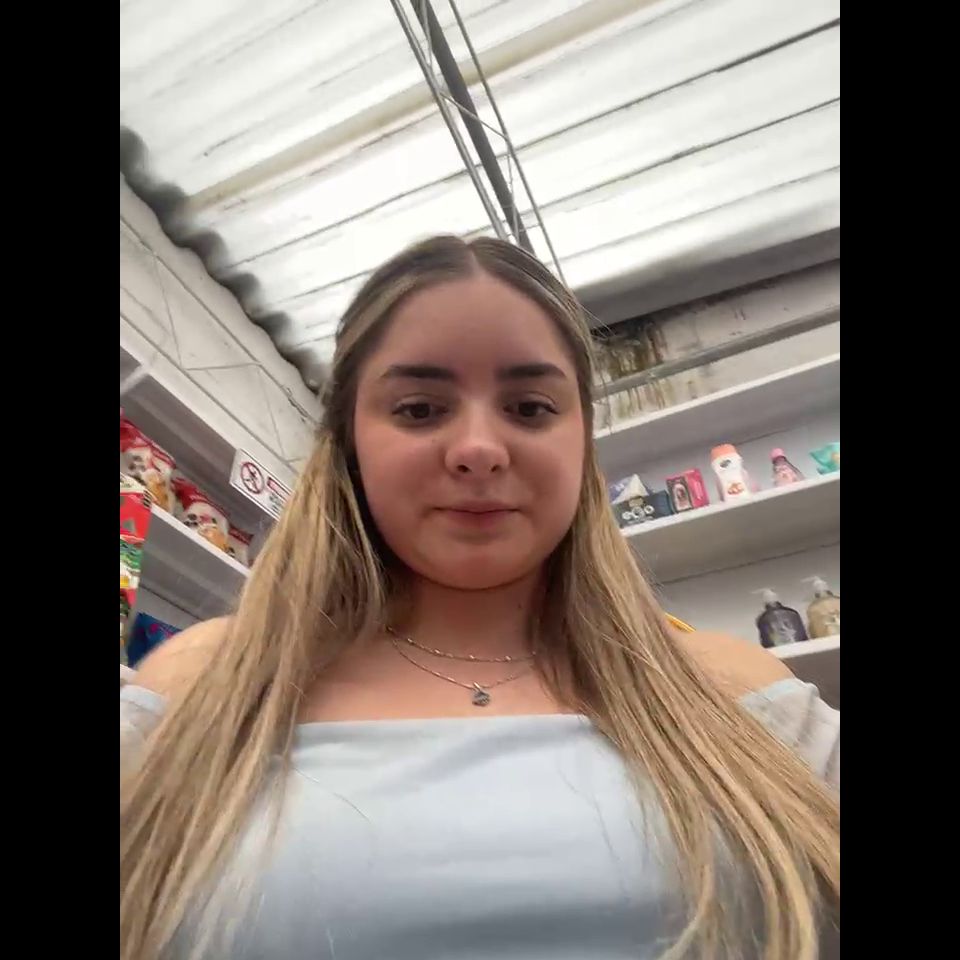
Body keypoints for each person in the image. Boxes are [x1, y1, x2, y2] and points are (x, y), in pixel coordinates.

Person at [120, 235, 839, 960]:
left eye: (529, 407)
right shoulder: (205, 684)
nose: (479, 449)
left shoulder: (729, 689)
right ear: (348, 444)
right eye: (419, 409)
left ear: (582, 443)